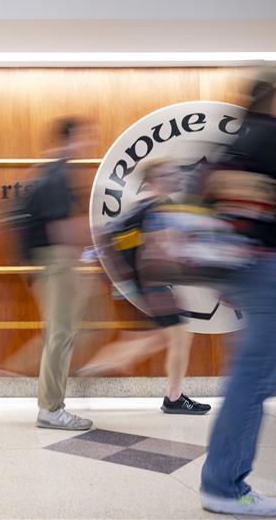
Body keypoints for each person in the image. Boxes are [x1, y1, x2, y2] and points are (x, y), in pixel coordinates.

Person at [199, 71, 276, 517]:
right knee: (258, 372)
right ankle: (225, 485)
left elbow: (209, 208)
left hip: (239, 263)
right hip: (264, 263)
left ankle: (223, 479)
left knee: (261, 367)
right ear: (275, 96)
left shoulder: (232, 141)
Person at [76, 160, 211, 416]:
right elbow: (161, 247)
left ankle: (101, 368)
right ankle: (172, 396)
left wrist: (125, 281)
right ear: (152, 179)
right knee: (175, 336)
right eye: (167, 173)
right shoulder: (157, 206)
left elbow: (106, 238)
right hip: (153, 285)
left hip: (138, 286)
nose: (174, 176)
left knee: (158, 336)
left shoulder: (140, 207)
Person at [24, 118, 95, 431]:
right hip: (58, 260)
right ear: (72, 138)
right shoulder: (58, 174)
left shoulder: (50, 171)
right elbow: (59, 227)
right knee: (61, 334)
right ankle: (52, 409)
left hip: (51, 261)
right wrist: (88, 244)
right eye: (86, 137)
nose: (89, 143)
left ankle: (51, 406)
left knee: (59, 334)